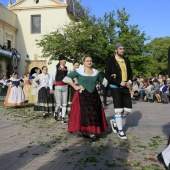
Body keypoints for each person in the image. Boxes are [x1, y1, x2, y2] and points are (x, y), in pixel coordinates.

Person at [62, 55, 108, 141]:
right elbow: (66, 78)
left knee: (94, 112)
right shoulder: (79, 71)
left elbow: (104, 81)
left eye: (90, 60)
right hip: (83, 94)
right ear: (83, 62)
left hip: (94, 95)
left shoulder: (96, 72)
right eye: (87, 61)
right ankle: (89, 132)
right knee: (86, 113)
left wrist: (110, 76)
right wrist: (75, 86)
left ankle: (93, 131)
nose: (89, 62)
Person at [105, 43, 133, 140]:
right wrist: (118, 82)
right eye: (120, 49)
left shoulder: (126, 60)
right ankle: (120, 131)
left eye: (123, 48)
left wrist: (129, 81)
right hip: (115, 87)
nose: (122, 50)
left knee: (128, 109)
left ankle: (116, 121)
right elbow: (107, 75)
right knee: (118, 110)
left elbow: (130, 73)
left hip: (125, 86)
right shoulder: (110, 60)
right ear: (115, 50)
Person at [49, 54, 70, 123]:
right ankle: (56, 112)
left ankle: (63, 117)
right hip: (58, 86)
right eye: (64, 60)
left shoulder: (67, 68)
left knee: (64, 103)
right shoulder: (56, 68)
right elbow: (52, 77)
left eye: (65, 60)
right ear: (60, 61)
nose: (65, 61)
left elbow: (69, 77)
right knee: (58, 103)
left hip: (65, 87)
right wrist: (51, 87)